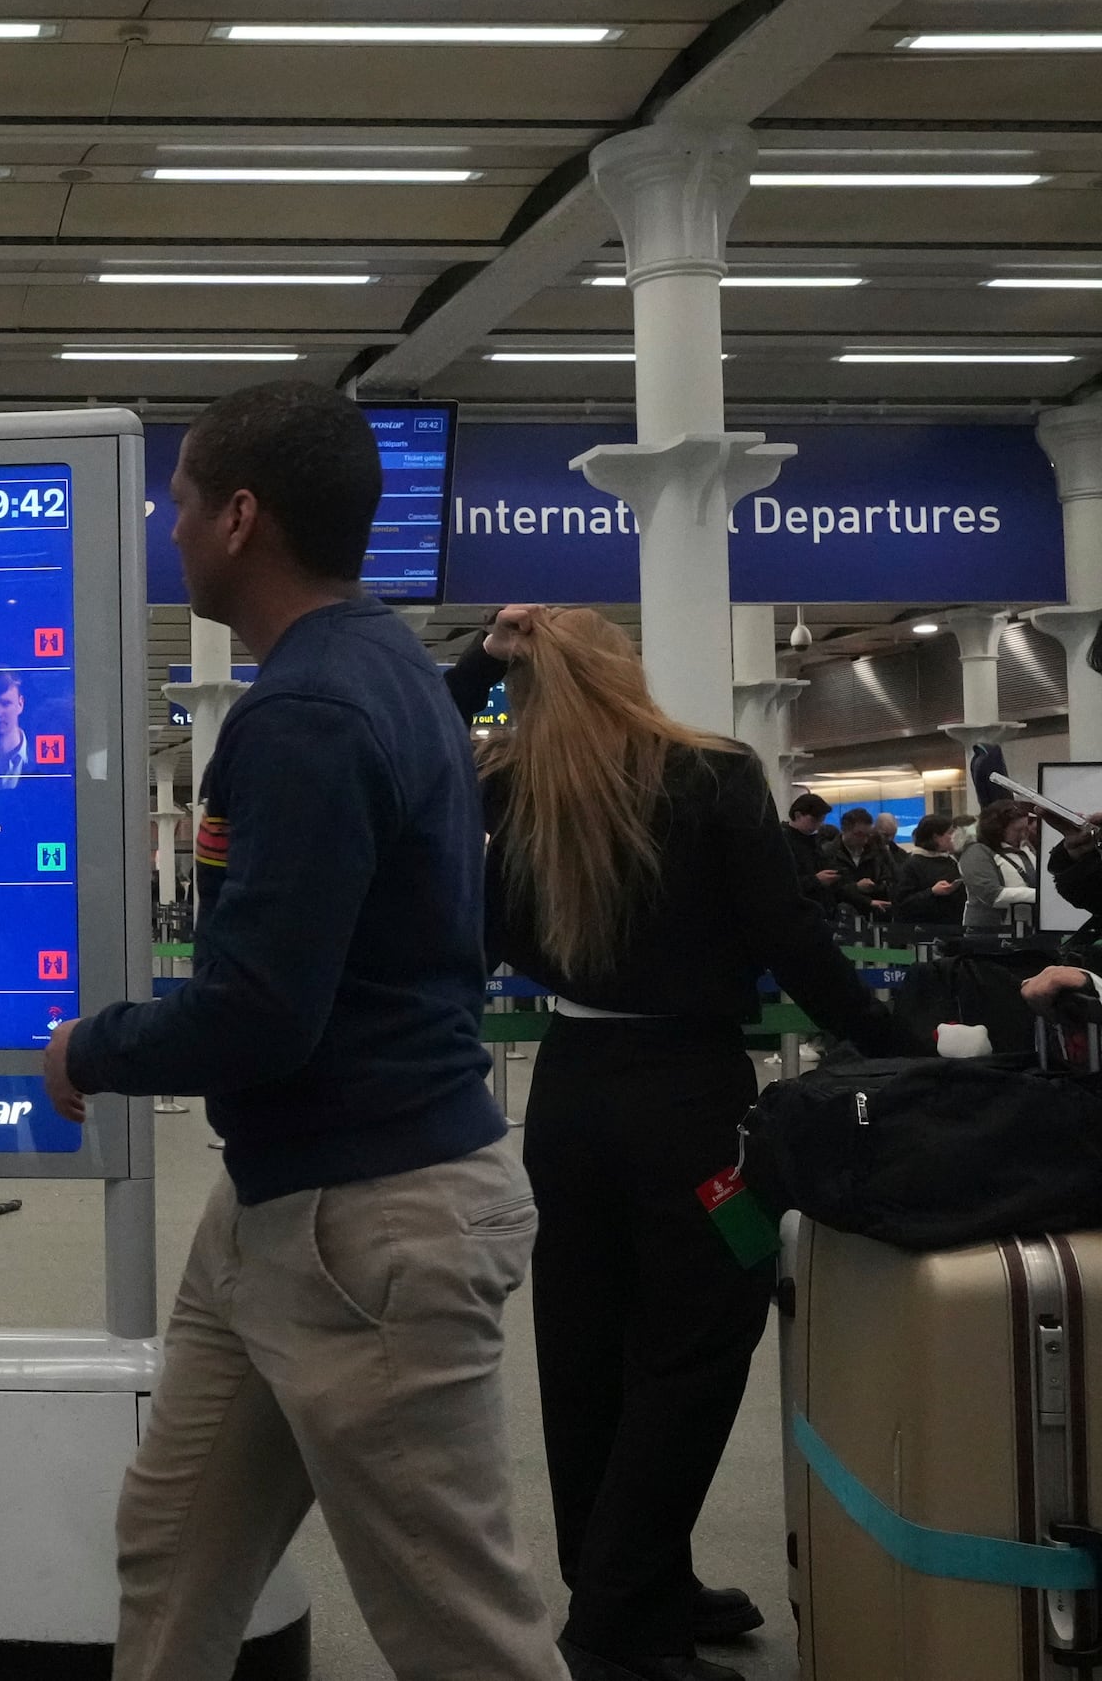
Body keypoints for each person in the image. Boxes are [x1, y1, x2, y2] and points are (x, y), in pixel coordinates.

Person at [40, 381, 566, 1681]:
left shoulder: (307, 717)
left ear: (240, 515)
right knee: (175, 1538)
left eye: (178, 503)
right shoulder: (386, 670)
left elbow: (261, 1014)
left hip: (368, 1218)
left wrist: (87, 1048)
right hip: (283, 1199)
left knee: (464, 1631)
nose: (170, 530)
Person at [447, 606, 909, 1681]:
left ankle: (627, 1578)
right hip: (691, 1102)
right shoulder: (711, 774)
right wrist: (895, 1041)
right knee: (702, 1339)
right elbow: (786, 935)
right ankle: (620, 1615)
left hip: (566, 1101)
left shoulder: (508, 792)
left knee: (585, 1344)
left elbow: (432, 766)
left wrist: (478, 663)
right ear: (628, 672)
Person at [959, 800, 1040, 931]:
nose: (1024, 834)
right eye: (1017, 830)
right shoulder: (977, 852)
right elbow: (992, 895)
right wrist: (1040, 896)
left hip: (1027, 928)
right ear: (997, 829)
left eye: (1025, 828)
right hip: (990, 934)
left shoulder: (1026, 848)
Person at [893, 813, 966, 927]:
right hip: (929, 930)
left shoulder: (950, 860)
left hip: (954, 926)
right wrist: (932, 892)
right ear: (936, 837)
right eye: (949, 833)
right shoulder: (912, 865)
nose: (953, 837)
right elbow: (903, 903)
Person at [823, 807, 896, 921]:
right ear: (844, 830)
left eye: (868, 835)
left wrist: (877, 886)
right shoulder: (828, 853)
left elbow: (891, 878)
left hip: (877, 914)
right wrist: (856, 888)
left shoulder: (878, 851)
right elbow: (831, 891)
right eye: (859, 834)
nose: (864, 840)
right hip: (842, 916)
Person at [785, 793, 839, 908]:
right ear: (798, 815)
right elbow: (783, 883)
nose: (819, 825)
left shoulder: (813, 840)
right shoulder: (783, 841)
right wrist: (816, 880)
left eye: (821, 820)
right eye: (815, 820)